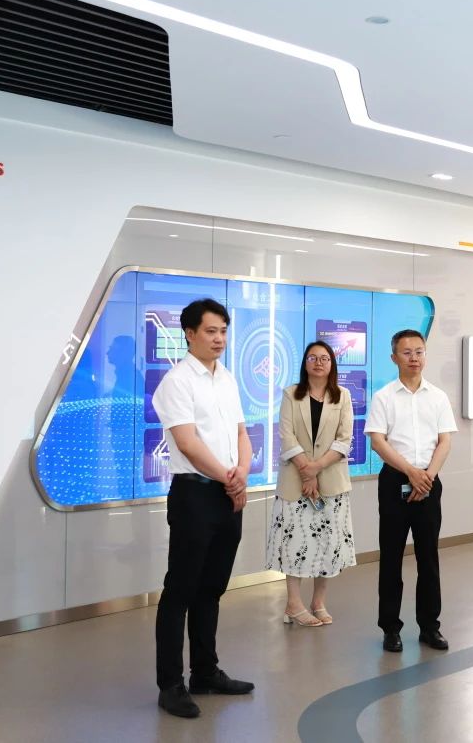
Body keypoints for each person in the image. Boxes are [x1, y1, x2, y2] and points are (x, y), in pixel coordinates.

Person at [150, 298, 254, 719]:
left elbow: (242, 433)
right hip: (194, 494)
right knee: (180, 591)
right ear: (190, 334)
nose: (219, 339)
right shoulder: (176, 382)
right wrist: (230, 479)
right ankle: (170, 685)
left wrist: (242, 473)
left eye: (224, 331)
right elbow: (188, 443)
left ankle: (205, 672)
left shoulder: (226, 378)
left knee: (212, 588)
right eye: (211, 331)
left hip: (229, 494)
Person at [365, 329, 458, 653]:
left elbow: (445, 441)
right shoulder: (384, 397)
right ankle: (390, 628)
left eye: (419, 351)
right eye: (406, 352)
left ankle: (430, 627)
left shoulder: (438, 397)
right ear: (394, 358)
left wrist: (426, 477)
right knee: (391, 558)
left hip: (429, 482)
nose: (414, 358)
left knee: (428, 558)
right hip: (395, 482)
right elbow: (378, 442)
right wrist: (410, 473)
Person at [266, 340, 357, 626]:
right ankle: (293, 604)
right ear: (305, 363)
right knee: (294, 543)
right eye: (313, 358)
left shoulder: (342, 396)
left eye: (324, 358)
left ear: (332, 364)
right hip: (295, 481)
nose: (318, 362)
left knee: (327, 544)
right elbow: (286, 435)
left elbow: (344, 439)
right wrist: (307, 471)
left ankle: (318, 602)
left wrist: (315, 468)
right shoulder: (291, 394)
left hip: (331, 481)